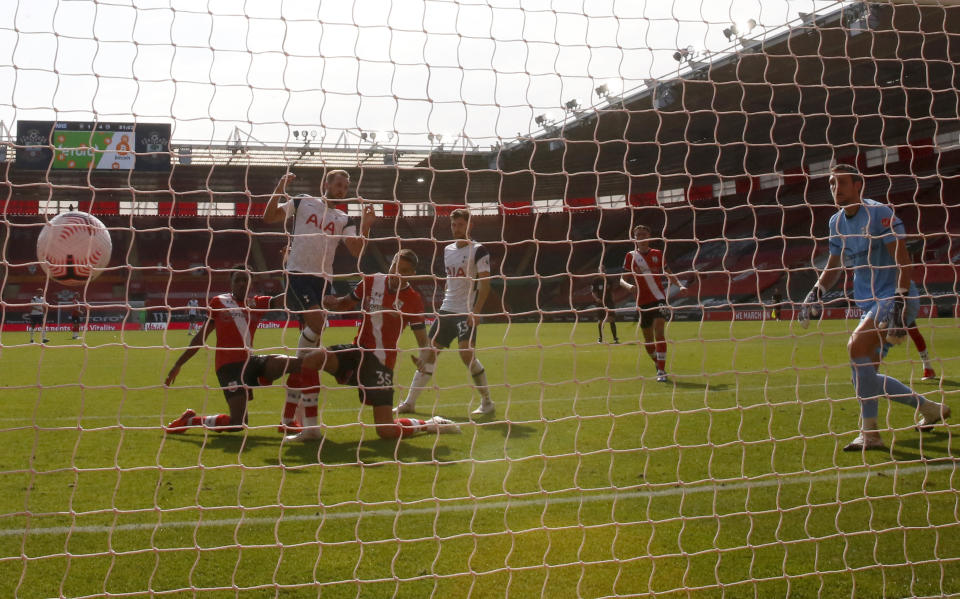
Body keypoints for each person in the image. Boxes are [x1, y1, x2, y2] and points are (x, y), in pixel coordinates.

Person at [799, 164, 949, 451]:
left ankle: (871, 435)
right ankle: (930, 408)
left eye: (842, 182)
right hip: (869, 302)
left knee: (855, 347)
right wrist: (815, 292)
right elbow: (833, 266)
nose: (836, 188)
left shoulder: (880, 214)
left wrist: (899, 302)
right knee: (865, 376)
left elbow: (904, 263)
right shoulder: (836, 222)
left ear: (859, 185)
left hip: (896, 298)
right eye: (831, 183)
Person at [285, 249, 459, 441]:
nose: (397, 274)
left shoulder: (413, 300)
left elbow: (422, 340)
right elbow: (344, 305)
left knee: (386, 431)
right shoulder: (371, 281)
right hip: (358, 352)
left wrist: (423, 359)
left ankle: (431, 424)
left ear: (412, 274)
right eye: (395, 267)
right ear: (390, 264)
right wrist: (330, 302)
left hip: (381, 364)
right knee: (312, 360)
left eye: (404, 271)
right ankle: (311, 430)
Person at [263, 170, 375, 437]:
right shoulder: (303, 201)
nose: (342, 189)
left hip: (323, 280)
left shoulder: (344, 218)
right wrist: (279, 187)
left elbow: (357, 251)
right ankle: (304, 414)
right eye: (338, 184)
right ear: (325, 183)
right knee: (317, 324)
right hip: (298, 275)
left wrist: (367, 225)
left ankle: (290, 415)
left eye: (345, 186)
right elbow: (269, 217)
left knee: (314, 339)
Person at [164, 267, 290, 433]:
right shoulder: (219, 302)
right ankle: (191, 421)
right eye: (237, 280)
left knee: (292, 363)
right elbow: (199, 338)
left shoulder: (257, 303)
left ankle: (287, 419)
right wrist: (178, 364)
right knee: (239, 423)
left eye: (245, 279)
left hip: (248, 363)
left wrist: (293, 271)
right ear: (231, 283)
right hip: (228, 368)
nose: (241, 283)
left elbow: (283, 300)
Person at [395, 208, 494, 417]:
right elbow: (451, 280)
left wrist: (476, 312)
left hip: (466, 310)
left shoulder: (479, 250)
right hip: (446, 310)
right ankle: (410, 403)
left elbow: (485, 284)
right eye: (453, 225)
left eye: (460, 224)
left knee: (466, 354)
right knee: (429, 355)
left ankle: (487, 401)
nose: (456, 228)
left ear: (470, 225)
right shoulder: (448, 250)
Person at [619, 225, 687, 382]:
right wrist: (628, 286)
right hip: (642, 302)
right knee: (648, 341)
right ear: (634, 238)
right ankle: (658, 362)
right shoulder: (631, 256)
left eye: (644, 234)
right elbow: (622, 279)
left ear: (649, 236)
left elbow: (669, 273)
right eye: (638, 235)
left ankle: (661, 371)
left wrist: (681, 285)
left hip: (659, 299)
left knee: (659, 333)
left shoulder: (658, 254)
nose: (641, 237)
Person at [591, 270, 619, 343]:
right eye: (601, 270)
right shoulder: (595, 280)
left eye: (604, 269)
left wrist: (613, 301)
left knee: (612, 320)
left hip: (609, 302)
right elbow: (593, 292)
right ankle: (600, 338)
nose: (602, 271)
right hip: (600, 303)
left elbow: (612, 291)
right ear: (598, 271)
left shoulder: (609, 280)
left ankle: (615, 338)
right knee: (600, 321)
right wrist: (597, 299)